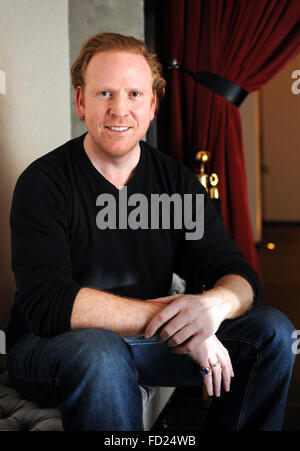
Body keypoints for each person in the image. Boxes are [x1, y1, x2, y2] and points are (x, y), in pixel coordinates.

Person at [6, 32, 295, 431]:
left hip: (145, 344)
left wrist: (212, 308)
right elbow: (49, 304)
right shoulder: (44, 183)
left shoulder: (176, 183)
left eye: (135, 94)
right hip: (51, 347)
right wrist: (178, 321)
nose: (119, 110)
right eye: (104, 93)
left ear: (154, 104)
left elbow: (239, 276)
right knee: (100, 352)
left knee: (274, 333)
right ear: (80, 102)